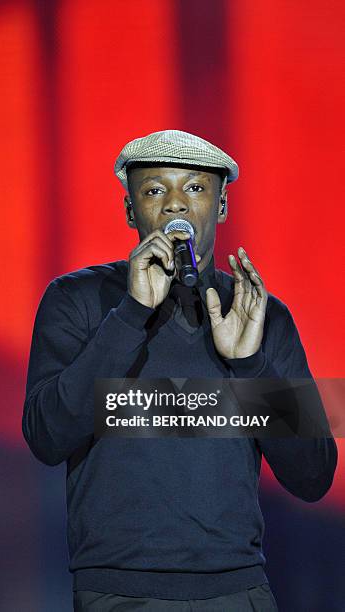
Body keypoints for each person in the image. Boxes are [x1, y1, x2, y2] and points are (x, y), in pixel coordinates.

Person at [22, 130, 337, 611]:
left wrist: (249, 364)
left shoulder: (258, 313)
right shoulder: (78, 301)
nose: (175, 205)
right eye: (153, 190)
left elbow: (312, 477)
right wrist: (130, 314)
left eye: (194, 188)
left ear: (222, 205)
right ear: (131, 210)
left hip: (238, 591)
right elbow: (48, 436)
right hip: (118, 593)